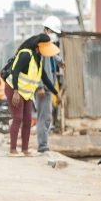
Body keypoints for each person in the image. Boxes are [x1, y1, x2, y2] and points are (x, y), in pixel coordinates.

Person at [5, 34, 59, 157]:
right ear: (39, 46)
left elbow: (45, 79)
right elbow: (15, 72)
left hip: (26, 94)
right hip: (14, 89)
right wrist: (15, 92)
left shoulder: (37, 59)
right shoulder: (26, 54)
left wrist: (57, 93)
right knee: (18, 118)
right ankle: (13, 150)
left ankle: (25, 149)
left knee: (28, 120)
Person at [36, 16, 66, 153]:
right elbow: (37, 68)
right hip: (43, 87)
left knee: (47, 115)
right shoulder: (40, 47)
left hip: (49, 85)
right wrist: (40, 86)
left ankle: (43, 144)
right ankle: (42, 146)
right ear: (46, 30)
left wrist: (59, 61)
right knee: (45, 117)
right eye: (52, 32)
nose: (54, 35)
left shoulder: (47, 46)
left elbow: (53, 53)